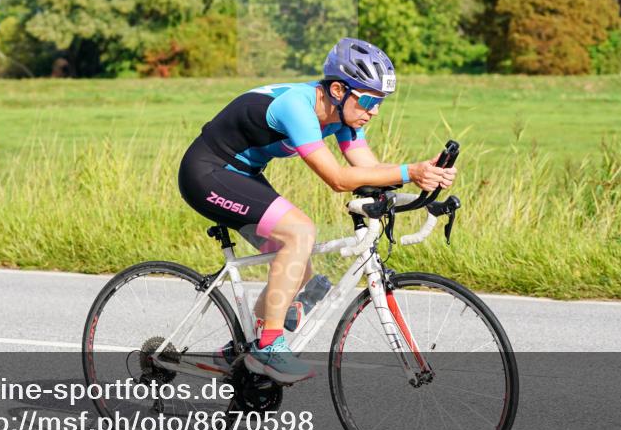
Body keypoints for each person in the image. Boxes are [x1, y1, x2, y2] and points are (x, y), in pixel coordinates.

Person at [177, 38, 457, 383]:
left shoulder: (345, 117)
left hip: (243, 174)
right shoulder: (297, 107)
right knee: (299, 231)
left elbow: (367, 170)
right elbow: (339, 179)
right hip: (206, 173)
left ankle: (238, 353)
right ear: (338, 89)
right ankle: (268, 349)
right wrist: (408, 171)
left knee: (304, 275)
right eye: (368, 100)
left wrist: (424, 182)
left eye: (380, 103)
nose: (373, 111)